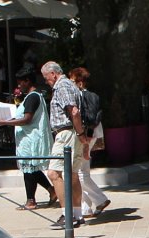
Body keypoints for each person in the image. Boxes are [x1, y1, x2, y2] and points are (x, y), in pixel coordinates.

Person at [0, 68, 56, 211]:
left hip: (30, 140)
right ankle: (51, 190)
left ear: (27, 81)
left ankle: (31, 200)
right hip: (27, 140)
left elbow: (27, 119)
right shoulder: (33, 96)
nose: (18, 86)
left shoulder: (33, 97)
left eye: (20, 83)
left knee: (29, 170)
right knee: (32, 169)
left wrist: (6, 122)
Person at [40, 61, 86, 227]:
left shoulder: (62, 86)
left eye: (46, 78)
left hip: (66, 132)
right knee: (72, 175)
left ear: (53, 74)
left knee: (54, 173)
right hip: (73, 132)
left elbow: (73, 111)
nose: (46, 82)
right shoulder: (70, 85)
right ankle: (78, 214)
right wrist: (80, 134)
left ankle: (67, 215)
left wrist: (80, 133)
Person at [68, 67, 110, 218]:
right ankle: (86, 207)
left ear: (79, 82)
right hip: (91, 135)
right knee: (82, 171)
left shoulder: (81, 96)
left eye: (72, 80)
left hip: (86, 136)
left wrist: (86, 141)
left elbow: (89, 120)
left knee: (79, 172)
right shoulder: (93, 96)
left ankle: (99, 199)